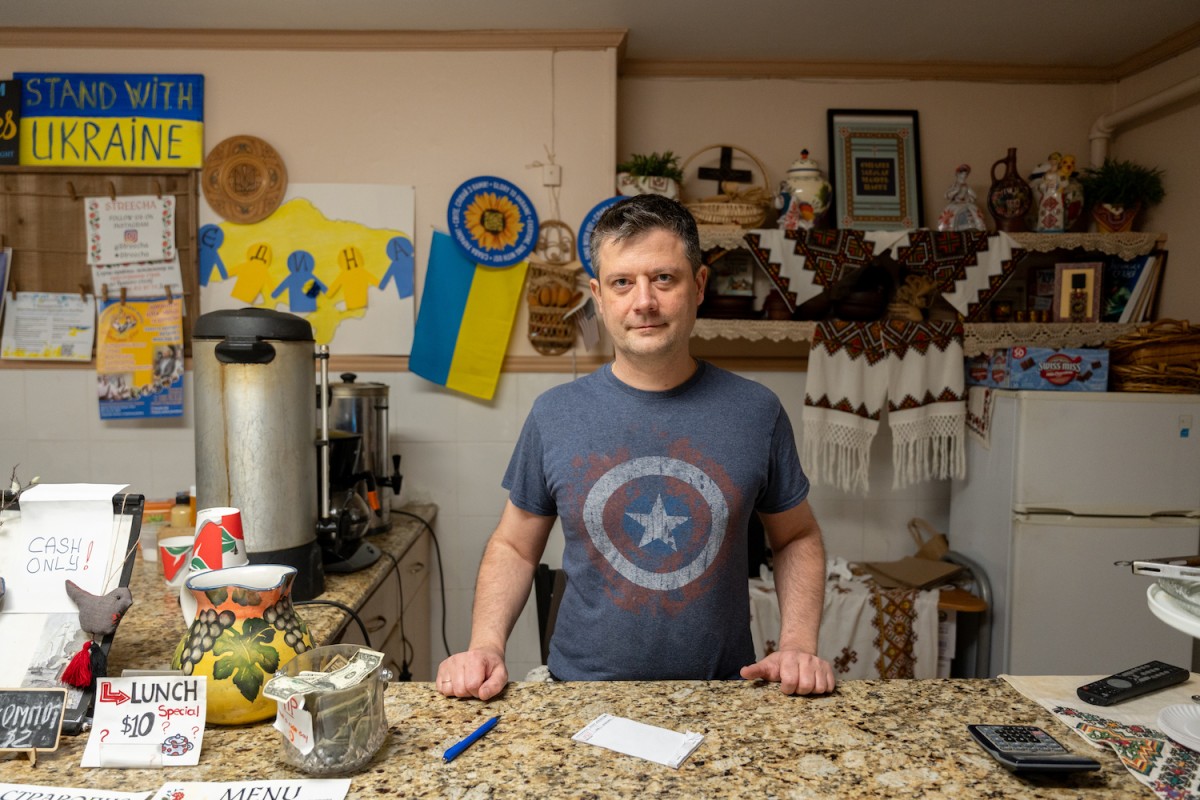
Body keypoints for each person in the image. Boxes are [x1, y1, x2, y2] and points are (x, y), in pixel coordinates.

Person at [437, 194, 834, 701]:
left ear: (700, 286)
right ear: (599, 298)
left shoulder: (757, 411)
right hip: (578, 695)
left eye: (663, 279)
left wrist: (798, 644)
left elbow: (797, 536)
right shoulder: (553, 413)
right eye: (623, 283)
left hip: (724, 698)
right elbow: (514, 545)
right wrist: (486, 645)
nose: (643, 301)